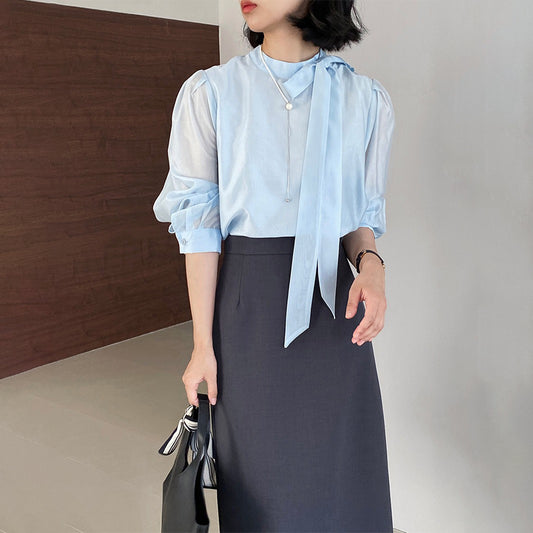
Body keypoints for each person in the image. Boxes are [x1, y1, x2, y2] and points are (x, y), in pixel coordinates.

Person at [153, 0, 396, 530]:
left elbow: (358, 219)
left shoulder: (364, 99)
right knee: (261, 485)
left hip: (334, 309)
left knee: (343, 479)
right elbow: (201, 233)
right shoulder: (211, 92)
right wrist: (201, 345)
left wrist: (371, 265)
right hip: (249, 311)